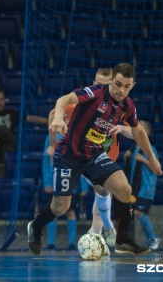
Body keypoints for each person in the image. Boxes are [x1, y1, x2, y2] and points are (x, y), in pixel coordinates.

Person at [28, 62, 162, 256]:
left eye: (126, 86)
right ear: (111, 81)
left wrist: (152, 158)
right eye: (117, 84)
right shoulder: (95, 93)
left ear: (132, 86)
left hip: (94, 155)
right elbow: (64, 99)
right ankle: (36, 227)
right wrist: (58, 117)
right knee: (60, 207)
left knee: (124, 189)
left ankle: (122, 239)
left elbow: (138, 131)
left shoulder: (127, 105)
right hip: (69, 156)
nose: (121, 90)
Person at [46, 68, 132, 249]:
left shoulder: (121, 104)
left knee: (102, 192)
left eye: (105, 84)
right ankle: (99, 232)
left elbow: (137, 132)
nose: (100, 87)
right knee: (94, 191)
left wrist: (124, 129)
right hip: (81, 154)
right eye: (97, 84)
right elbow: (54, 114)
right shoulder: (87, 99)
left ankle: (102, 228)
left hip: (107, 154)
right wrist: (53, 144)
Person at [42, 105, 90, 251]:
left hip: (72, 181)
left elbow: (82, 163)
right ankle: (51, 243)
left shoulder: (77, 138)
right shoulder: (51, 138)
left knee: (71, 211)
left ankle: (71, 243)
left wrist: (84, 185)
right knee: (53, 210)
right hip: (54, 179)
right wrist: (47, 182)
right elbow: (46, 162)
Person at [0, 88, 47, 163]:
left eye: (2, 99)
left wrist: (49, 121)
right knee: (2, 129)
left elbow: (30, 118)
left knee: (8, 150)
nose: (0, 102)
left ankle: (12, 171)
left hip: (2, 146)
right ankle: (22, 149)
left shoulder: (10, 114)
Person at [123, 120, 161, 250]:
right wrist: (127, 158)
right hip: (135, 188)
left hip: (145, 188)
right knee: (131, 213)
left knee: (139, 212)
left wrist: (144, 160)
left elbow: (157, 169)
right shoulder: (134, 149)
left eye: (142, 127)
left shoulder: (150, 149)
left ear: (148, 132)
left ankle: (153, 238)